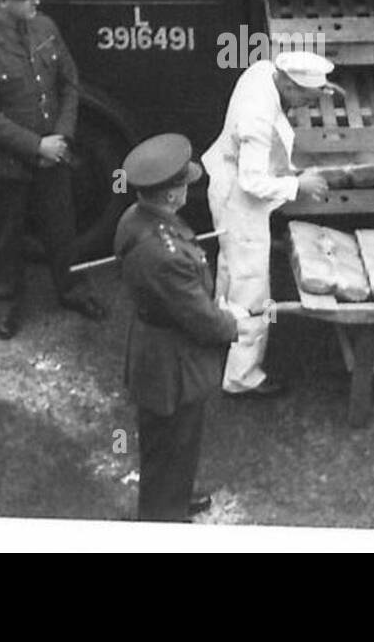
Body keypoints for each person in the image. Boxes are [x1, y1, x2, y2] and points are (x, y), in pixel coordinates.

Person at [0, 0, 105, 338]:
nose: (36, 2)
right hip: (7, 164)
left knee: (62, 228)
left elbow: (69, 84)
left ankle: (72, 289)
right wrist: (36, 147)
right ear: (1, 1)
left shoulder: (45, 28)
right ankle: (4, 303)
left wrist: (62, 137)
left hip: (53, 154)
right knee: (6, 237)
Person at [116, 134, 241, 522]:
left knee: (180, 443)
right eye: (183, 182)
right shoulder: (163, 253)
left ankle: (175, 496)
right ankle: (161, 519)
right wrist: (232, 323)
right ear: (170, 195)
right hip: (170, 362)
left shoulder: (138, 217)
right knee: (169, 442)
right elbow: (201, 320)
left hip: (164, 349)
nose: (188, 186)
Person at [202, 50, 335, 397]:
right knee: (251, 288)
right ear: (290, 87)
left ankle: (217, 334)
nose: (307, 105)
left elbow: (296, 82)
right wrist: (298, 185)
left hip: (226, 186)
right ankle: (242, 377)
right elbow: (253, 182)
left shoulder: (265, 70)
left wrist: (324, 86)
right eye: (306, 98)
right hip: (240, 200)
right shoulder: (258, 118)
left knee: (230, 268)